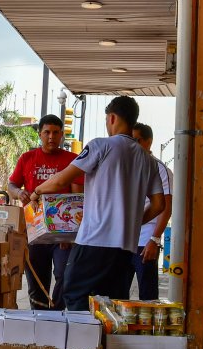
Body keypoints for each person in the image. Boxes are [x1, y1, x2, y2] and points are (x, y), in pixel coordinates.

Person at [30, 96, 166, 310]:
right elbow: (159, 205)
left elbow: (61, 180)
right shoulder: (148, 160)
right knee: (110, 307)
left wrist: (36, 191)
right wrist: (130, 223)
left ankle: (84, 343)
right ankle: (105, 343)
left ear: (112, 118)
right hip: (125, 248)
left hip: (94, 241)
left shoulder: (101, 146)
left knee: (75, 296)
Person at [6, 114, 82, 309]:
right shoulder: (27, 158)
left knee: (66, 275)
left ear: (62, 135)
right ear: (40, 134)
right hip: (34, 231)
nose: (51, 137)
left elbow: (78, 198)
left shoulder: (73, 161)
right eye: (47, 132)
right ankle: (39, 317)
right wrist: (18, 192)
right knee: (36, 280)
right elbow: (12, 184)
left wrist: (71, 234)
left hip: (63, 235)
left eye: (56, 133)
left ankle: (55, 312)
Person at [131, 122, 172, 300]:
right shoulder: (125, 166)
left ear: (149, 142)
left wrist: (154, 240)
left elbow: (166, 207)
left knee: (147, 297)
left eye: (137, 140)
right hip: (121, 241)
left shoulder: (160, 169)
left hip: (144, 241)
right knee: (115, 295)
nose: (133, 145)